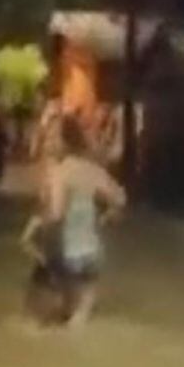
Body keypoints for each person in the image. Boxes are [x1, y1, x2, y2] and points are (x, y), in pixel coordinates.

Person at [45, 117, 127, 327]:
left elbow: (56, 214)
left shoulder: (61, 172)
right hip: (93, 251)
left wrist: (38, 223)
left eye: (52, 136)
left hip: (67, 252)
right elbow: (120, 197)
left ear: (65, 141)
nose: (48, 141)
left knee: (61, 315)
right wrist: (107, 216)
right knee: (81, 317)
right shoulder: (92, 169)